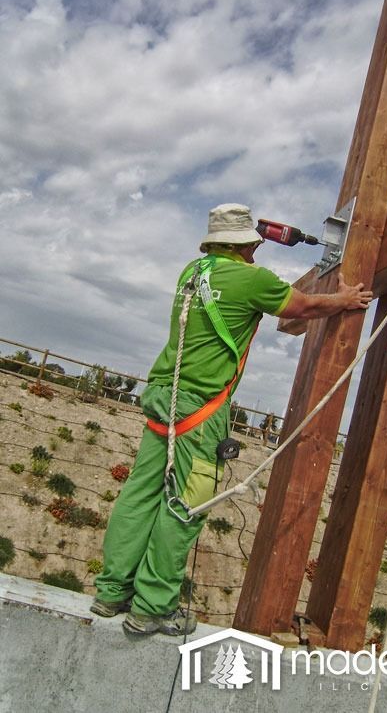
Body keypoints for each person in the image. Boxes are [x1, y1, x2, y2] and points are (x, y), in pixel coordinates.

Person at [91, 203, 372, 636]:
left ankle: (112, 591)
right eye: (254, 244)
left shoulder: (192, 272)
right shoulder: (252, 279)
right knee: (186, 505)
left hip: (164, 398)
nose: (258, 250)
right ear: (246, 245)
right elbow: (301, 307)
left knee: (141, 494)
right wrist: (345, 299)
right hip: (201, 410)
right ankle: (152, 607)